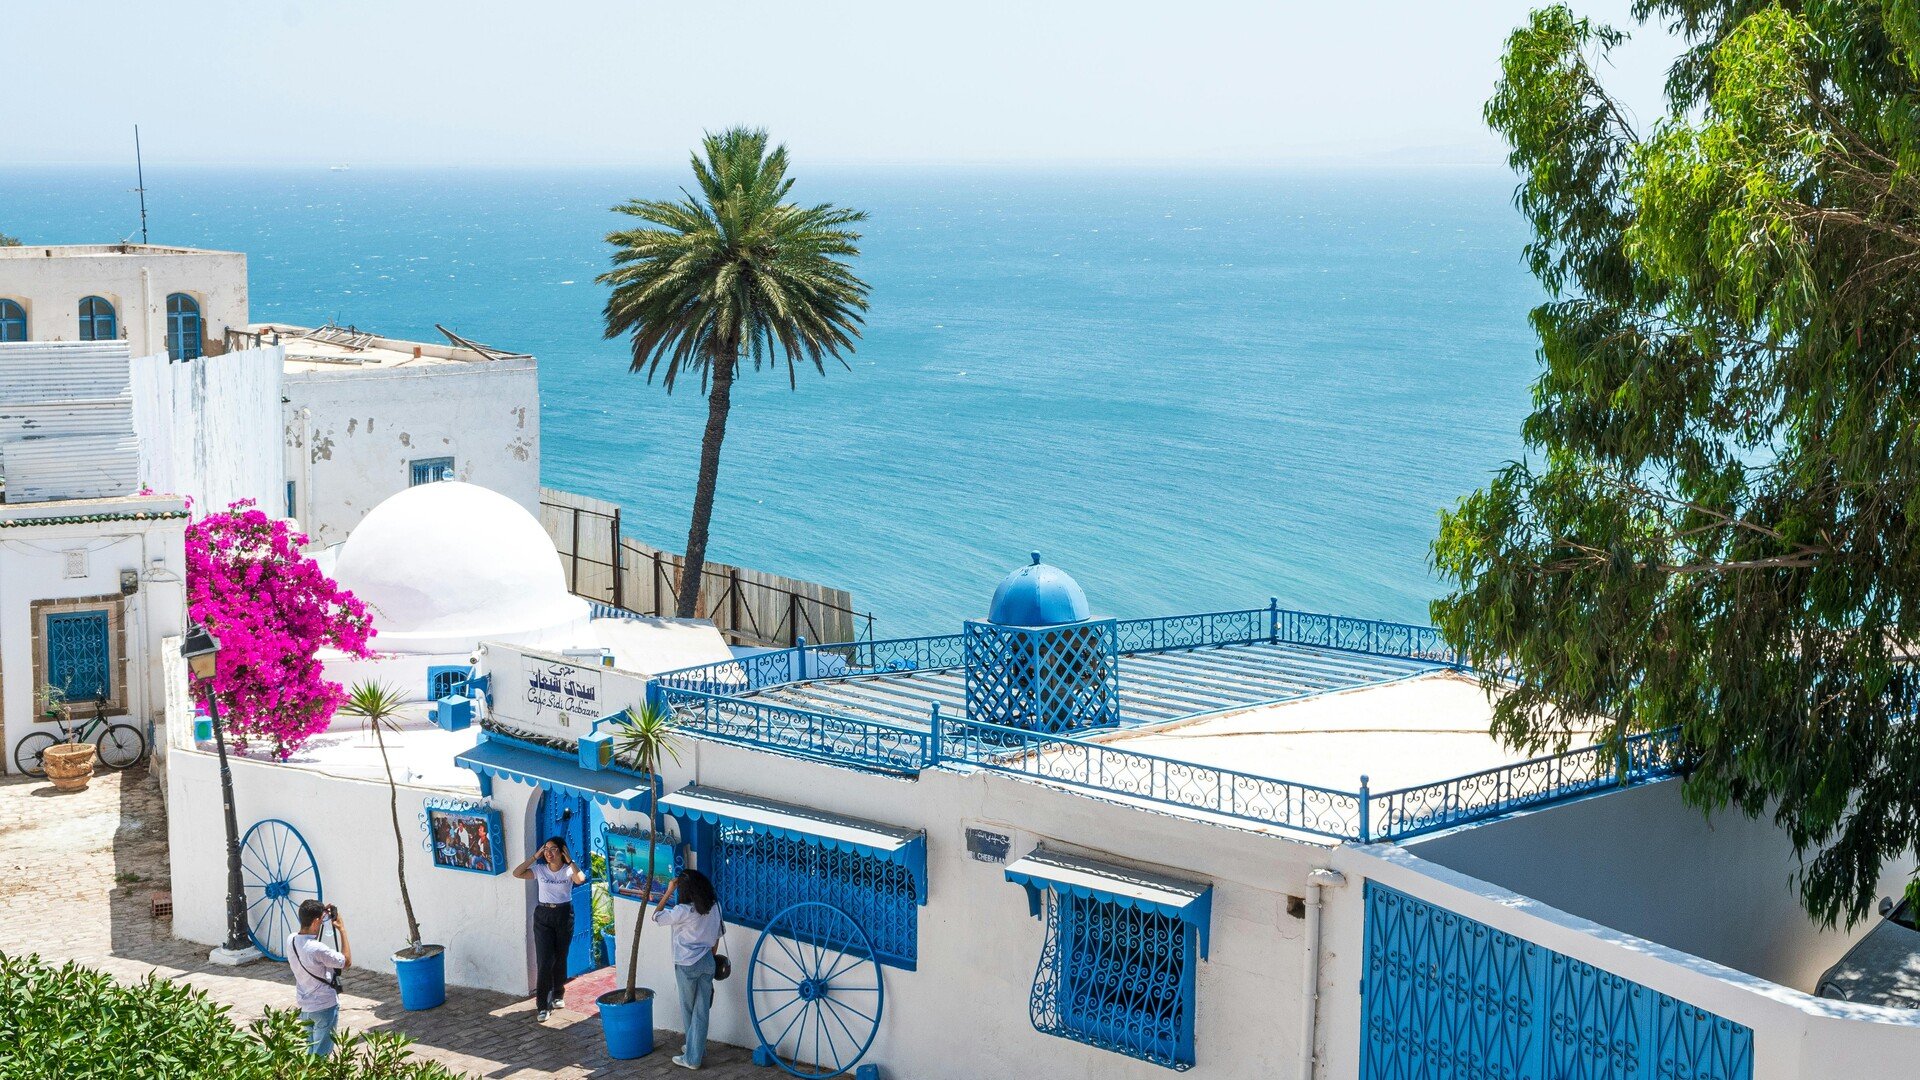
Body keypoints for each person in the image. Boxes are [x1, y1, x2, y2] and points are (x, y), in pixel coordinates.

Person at [653, 869, 723, 1071]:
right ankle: (697, 1049)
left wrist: (668, 891)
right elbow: (717, 936)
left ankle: (692, 1058)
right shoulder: (715, 907)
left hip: (686, 964)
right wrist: (709, 956)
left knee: (689, 1010)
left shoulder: (683, 910)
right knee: (702, 1011)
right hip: (707, 961)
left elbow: (656, 916)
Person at [513, 836, 585, 1020]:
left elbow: (580, 880)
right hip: (543, 916)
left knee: (560, 957)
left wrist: (570, 860)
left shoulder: (568, 870)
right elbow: (517, 873)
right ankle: (542, 1005)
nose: (548, 853)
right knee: (544, 961)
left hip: (564, 914)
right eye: (546, 849)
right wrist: (534, 857)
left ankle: (558, 994)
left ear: (562, 851)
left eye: (553, 849)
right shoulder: (540, 869)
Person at [287, 899, 352, 1058]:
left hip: (305, 1007)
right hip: (324, 1006)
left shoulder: (292, 940)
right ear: (317, 921)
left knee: (310, 1053)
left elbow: (307, 930)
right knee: (321, 1056)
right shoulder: (316, 948)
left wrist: (321, 912)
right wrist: (342, 929)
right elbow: (346, 961)